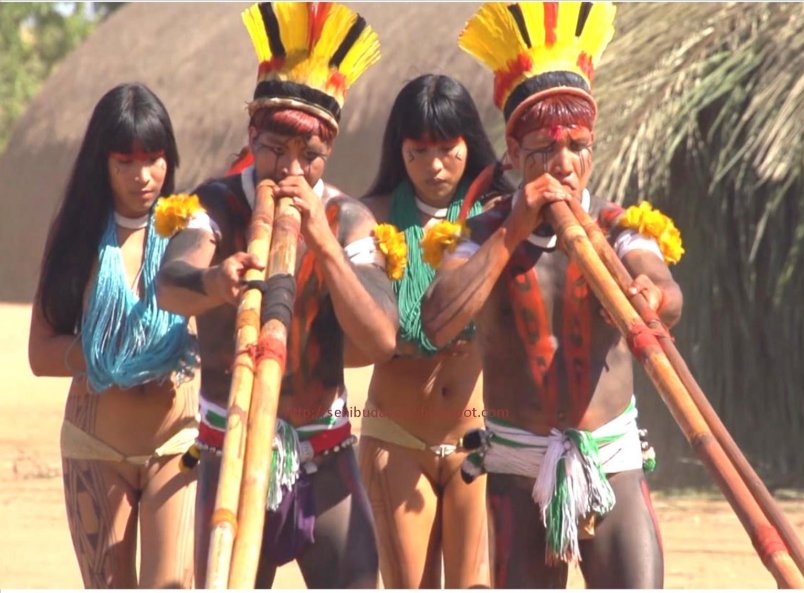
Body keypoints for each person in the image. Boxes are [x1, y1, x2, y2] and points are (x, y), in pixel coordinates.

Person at [422, 2, 684, 588]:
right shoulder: (482, 233)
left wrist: (649, 295)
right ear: (514, 155)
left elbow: (666, 291)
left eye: (577, 146)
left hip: (612, 455)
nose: (563, 164)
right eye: (543, 148)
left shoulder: (621, 226)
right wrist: (514, 229)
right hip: (519, 462)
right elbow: (436, 321)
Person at [154, 2, 396, 588]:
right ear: (251, 136)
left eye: (309, 156)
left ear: (328, 153)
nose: (289, 169)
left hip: (325, 453)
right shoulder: (215, 206)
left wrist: (323, 242)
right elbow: (168, 286)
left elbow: (381, 339)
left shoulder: (348, 220)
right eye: (274, 149)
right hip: (230, 452)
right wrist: (215, 282)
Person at [28, 82, 199, 588]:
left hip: (177, 443)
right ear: (101, 162)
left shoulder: (194, 228)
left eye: (153, 158)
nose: (142, 176)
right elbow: (41, 354)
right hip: (95, 447)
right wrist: (110, 356)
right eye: (125, 161)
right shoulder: (75, 235)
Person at [357, 74, 510, 588]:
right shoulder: (370, 219)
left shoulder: (501, 217)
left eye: (447, 149)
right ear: (398, 150)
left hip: (480, 437)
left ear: (471, 142)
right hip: (395, 436)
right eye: (418, 152)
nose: (435, 165)